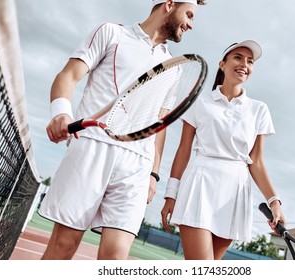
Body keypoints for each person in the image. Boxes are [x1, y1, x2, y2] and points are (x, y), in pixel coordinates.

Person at [39, 0, 206, 260]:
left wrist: (153, 172)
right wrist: (60, 112)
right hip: (92, 148)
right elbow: (69, 75)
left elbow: (159, 126)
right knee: (63, 246)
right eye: (189, 15)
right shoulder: (111, 33)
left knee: (116, 258)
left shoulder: (173, 68)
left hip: (137, 164)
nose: (192, 24)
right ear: (170, 4)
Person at [161, 40, 286, 260]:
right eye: (238, 57)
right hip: (199, 185)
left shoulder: (259, 110)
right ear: (222, 64)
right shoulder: (199, 101)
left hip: (235, 191)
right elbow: (183, 150)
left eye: (250, 61)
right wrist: (171, 194)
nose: (244, 64)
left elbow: (256, 162)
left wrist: (274, 201)